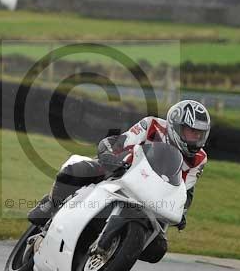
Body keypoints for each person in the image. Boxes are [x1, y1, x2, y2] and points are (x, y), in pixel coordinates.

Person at [28, 100, 210, 261]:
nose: (195, 138)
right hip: (122, 170)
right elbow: (123, 141)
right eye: (191, 132)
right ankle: (51, 204)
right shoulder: (152, 124)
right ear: (176, 125)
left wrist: (181, 211)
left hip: (154, 195)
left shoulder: (199, 158)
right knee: (76, 171)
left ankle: (119, 249)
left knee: (157, 249)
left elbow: (185, 190)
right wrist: (111, 156)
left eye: (199, 134)